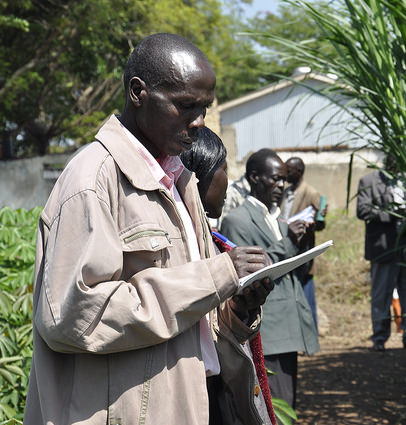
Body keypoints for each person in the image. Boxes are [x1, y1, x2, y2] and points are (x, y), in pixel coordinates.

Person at [24, 33, 275, 425]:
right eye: (185, 106)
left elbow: (191, 316)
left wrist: (236, 307)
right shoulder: (92, 180)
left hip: (187, 404)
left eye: (204, 108)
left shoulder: (181, 181)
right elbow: (72, 319)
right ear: (138, 92)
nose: (198, 122)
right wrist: (215, 276)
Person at [180, 126, 276, 425]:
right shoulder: (181, 247)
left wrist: (240, 309)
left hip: (220, 392)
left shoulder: (212, 241)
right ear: (198, 176)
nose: (228, 180)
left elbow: (213, 326)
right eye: (223, 168)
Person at [220, 148, 320, 408]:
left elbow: (291, 268)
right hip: (268, 328)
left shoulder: (278, 219)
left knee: (287, 402)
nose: (281, 185)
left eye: (284, 180)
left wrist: (303, 240)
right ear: (255, 178)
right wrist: (289, 243)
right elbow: (250, 273)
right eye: (275, 179)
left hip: (289, 324)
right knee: (275, 404)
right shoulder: (237, 221)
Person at [356, 159, 406, 352]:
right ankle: (380, 338)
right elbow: (362, 209)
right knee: (381, 296)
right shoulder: (369, 181)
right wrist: (390, 213)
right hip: (383, 248)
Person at [280, 157, 326, 330]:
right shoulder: (286, 192)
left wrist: (316, 220)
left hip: (302, 253)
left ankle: (309, 334)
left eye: (289, 171)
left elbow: (320, 224)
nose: (285, 174)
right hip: (288, 250)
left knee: (306, 298)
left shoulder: (311, 193)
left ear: (299, 172)